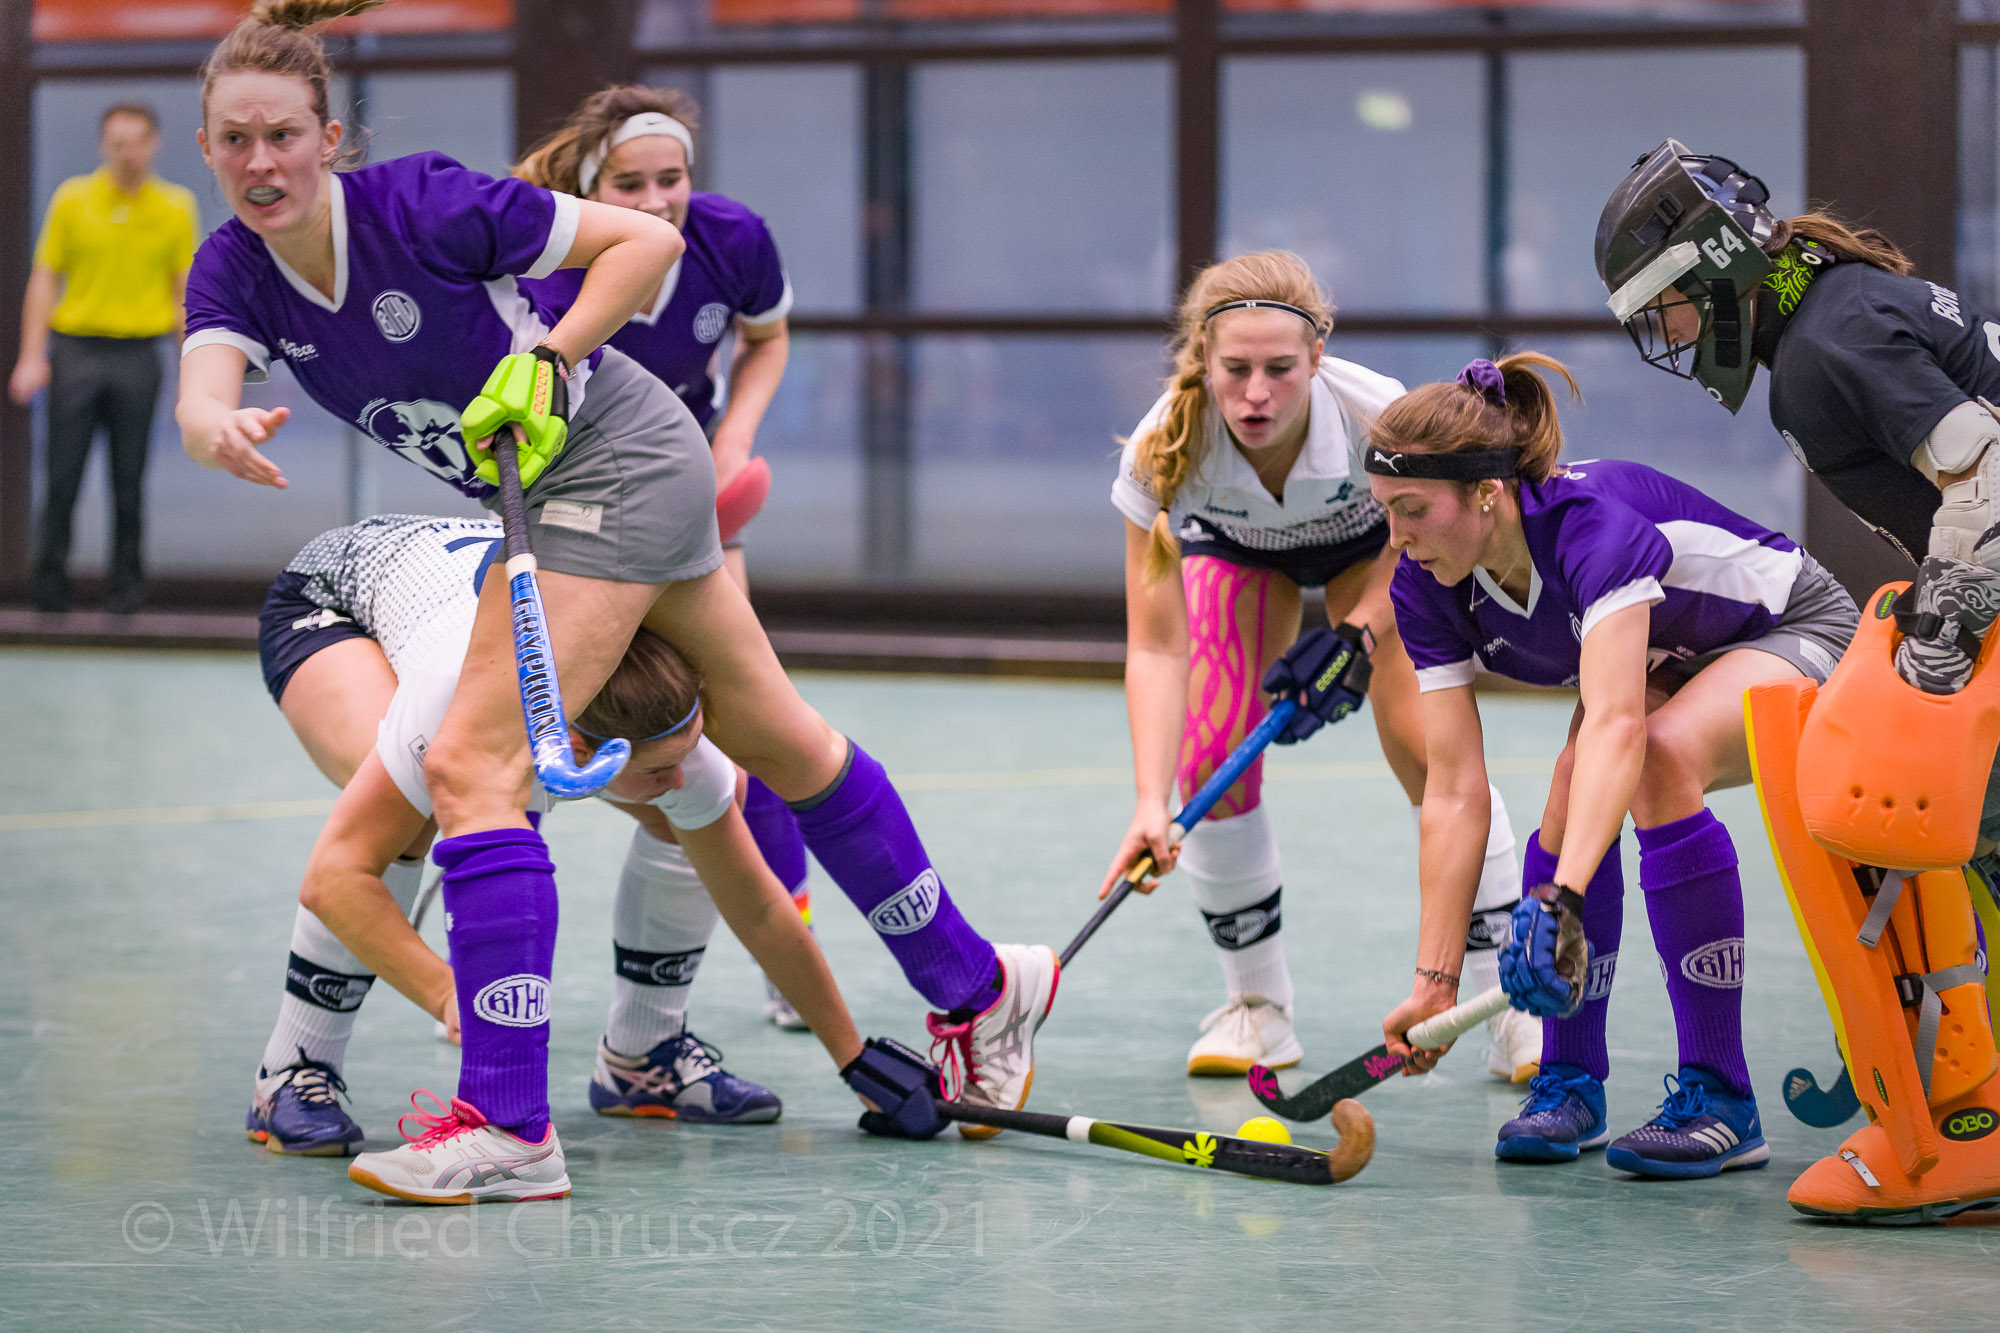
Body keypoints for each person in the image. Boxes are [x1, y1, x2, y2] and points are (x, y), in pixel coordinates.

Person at [175, 0, 1055, 1203]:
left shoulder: (422, 203)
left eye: (283, 135)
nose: (261, 162)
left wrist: (547, 356)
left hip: (609, 462)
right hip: (579, 490)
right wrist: (214, 427)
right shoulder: (232, 268)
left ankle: (507, 1124)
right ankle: (980, 984)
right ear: (208, 148)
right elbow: (202, 385)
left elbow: (639, 246)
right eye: (235, 140)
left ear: (330, 139)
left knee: (473, 764)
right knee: (781, 742)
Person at [1595, 141, 2000, 1217]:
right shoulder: (1834, 314)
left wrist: (1946, 626)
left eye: (1669, 306)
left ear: (1715, 270)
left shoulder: (1828, 343)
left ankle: (1967, 1121)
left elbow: (1987, 467)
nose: (1673, 334)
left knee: (1959, 815)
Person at [1369, 353, 1858, 1179]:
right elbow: (1453, 790)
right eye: (1384, 511)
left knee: (1655, 758)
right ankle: (1569, 1082)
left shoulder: (1588, 528)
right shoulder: (1424, 581)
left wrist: (1556, 898)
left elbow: (1620, 726)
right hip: (1675, 648)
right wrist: (1435, 978)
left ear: (1487, 493)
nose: (1397, 537)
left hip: (1794, 627)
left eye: (1412, 509)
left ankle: (1722, 1097)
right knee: (1570, 795)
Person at [246, 513, 828, 1157]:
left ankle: (643, 1057)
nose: (679, 776)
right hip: (335, 599)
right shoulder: (449, 697)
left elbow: (759, 904)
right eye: (660, 767)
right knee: (408, 815)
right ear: (577, 748)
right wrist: (449, 995)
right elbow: (336, 878)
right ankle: (292, 1069)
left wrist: (852, 1056)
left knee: (676, 812)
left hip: (470, 593)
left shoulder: (649, 704)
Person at [1101, 250, 1536, 1081]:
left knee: (1428, 747)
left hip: (1380, 547)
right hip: (1238, 552)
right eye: (1236, 370)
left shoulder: (1379, 416)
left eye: (1280, 369)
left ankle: (1503, 1003)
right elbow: (1156, 645)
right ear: (1204, 360)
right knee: (1212, 757)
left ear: (1317, 359)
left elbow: (1428, 537)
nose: (1256, 393)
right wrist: (1150, 801)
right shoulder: (1163, 449)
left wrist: (1359, 634)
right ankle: (1257, 1007)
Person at [516, 85, 812, 1030]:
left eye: (671, 179)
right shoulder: (549, 258)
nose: (655, 201)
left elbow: (766, 339)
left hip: (693, 508)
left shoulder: (734, 238)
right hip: (573, 512)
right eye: (630, 184)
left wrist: (735, 437)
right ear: (590, 188)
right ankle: (487, 962)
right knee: (530, 728)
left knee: (753, 724)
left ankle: (789, 952)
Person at [11, 103, 198, 613]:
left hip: (138, 355)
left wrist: (194, 374)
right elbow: (45, 277)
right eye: (117, 142)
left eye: (136, 141)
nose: (127, 152)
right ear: (103, 145)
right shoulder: (73, 198)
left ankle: (125, 595)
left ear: (154, 144)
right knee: (62, 476)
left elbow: (183, 293)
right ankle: (48, 593)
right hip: (76, 351)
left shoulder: (175, 206)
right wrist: (32, 356)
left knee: (129, 480)